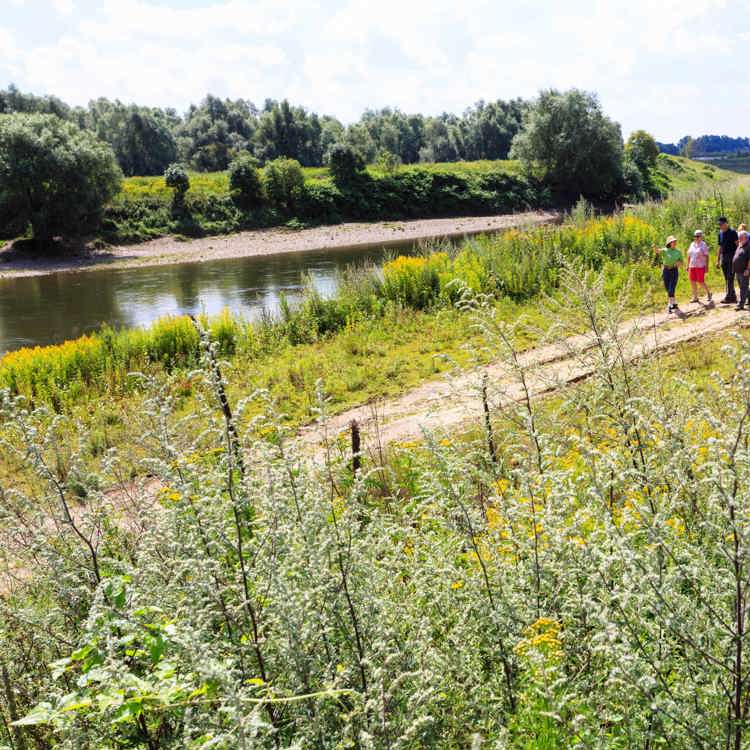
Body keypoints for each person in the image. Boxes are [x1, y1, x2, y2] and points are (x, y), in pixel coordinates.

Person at [654, 235, 683, 313]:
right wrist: (655, 247)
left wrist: (678, 263)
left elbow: (681, 262)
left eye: (675, 241)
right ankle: (674, 303)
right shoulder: (665, 250)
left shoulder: (678, 252)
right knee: (668, 288)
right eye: (673, 242)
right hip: (666, 271)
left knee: (671, 288)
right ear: (669, 243)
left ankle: (670, 305)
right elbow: (657, 251)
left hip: (674, 271)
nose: (674, 243)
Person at [717, 217, 739, 303]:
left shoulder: (733, 232)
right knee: (727, 278)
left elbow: (738, 245)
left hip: (732, 256)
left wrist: (737, 258)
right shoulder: (720, 234)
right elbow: (720, 247)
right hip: (724, 257)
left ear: (726, 223)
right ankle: (732, 295)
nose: (720, 226)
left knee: (730, 277)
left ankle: (728, 297)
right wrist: (718, 259)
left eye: (721, 224)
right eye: (719, 224)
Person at [686, 229, 712, 303]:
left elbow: (707, 256)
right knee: (692, 281)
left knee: (700, 281)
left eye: (698, 236)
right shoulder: (692, 244)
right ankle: (695, 297)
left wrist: (707, 266)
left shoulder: (703, 245)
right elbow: (689, 255)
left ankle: (708, 293)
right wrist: (687, 265)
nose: (696, 238)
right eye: (695, 236)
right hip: (692, 265)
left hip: (700, 266)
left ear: (701, 237)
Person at [733, 230, 750, 310]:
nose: (739, 238)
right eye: (739, 237)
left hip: (744, 271)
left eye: (741, 237)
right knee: (742, 287)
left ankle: (740, 304)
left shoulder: (748, 246)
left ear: (745, 237)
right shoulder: (740, 244)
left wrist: (747, 269)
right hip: (738, 270)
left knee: (743, 287)